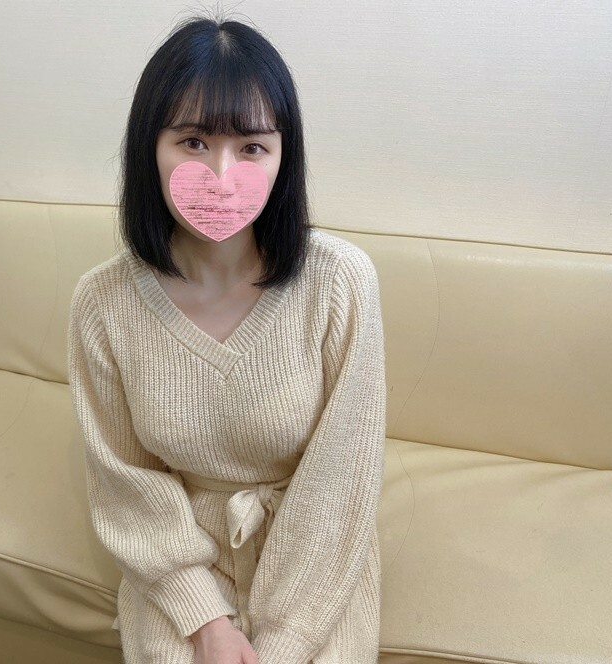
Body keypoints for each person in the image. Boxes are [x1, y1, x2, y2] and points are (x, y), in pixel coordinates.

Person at [66, 11, 386, 664]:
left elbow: (341, 482)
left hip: (316, 558)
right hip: (179, 553)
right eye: (192, 141)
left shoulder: (341, 283)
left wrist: (284, 640)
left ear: (283, 157)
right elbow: (125, 479)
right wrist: (204, 619)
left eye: (251, 147)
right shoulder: (102, 304)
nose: (220, 173)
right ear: (149, 147)